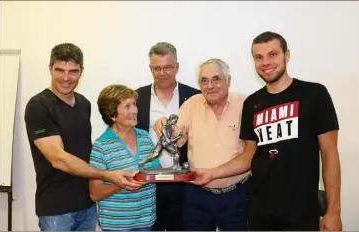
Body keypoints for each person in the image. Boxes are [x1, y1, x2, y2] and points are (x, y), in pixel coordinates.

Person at [190, 31, 342, 231]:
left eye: (273, 54)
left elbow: (329, 153)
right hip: (259, 210)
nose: (265, 62)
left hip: (301, 210)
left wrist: (334, 211)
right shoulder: (252, 103)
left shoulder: (314, 94)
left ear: (286, 55)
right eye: (258, 57)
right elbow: (249, 154)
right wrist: (212, 173)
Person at [24, 43, 142, 231]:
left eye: (73, 71)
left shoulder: (83, 103)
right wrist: (107, 175)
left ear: (81, 71)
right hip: (57, 209)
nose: (66, 77)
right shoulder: (39, 106)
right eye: (59, 70)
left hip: (87, 205)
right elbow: (58, 159)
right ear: (49, 69)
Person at [153, 58, 250, 231]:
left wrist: (214, 173)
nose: (210, 85)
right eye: (204, 81)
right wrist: (164, 126)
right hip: (197, 197)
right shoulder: (191, 104)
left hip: (236, 196)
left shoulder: (245, 104)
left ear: (228, 81)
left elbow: (251, 152)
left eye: (216, 79)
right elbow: (176, 136)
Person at [135, 42, 200, 231]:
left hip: (184, 184)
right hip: (148, 186)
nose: (162, 73)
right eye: (157, 68)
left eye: (168, 67)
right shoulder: (136, 98)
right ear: (150, 69)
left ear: (177, 67)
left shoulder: (195, 97)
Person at [89, 84, 160, 231]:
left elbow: (156, 171)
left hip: (146, 222)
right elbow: (95, 193)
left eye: (134, 104)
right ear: (112, 114)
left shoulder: (144, 136)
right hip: (117, 226)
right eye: (127, 106)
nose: (134, 110)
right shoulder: (101, 146)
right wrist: (122, 184)